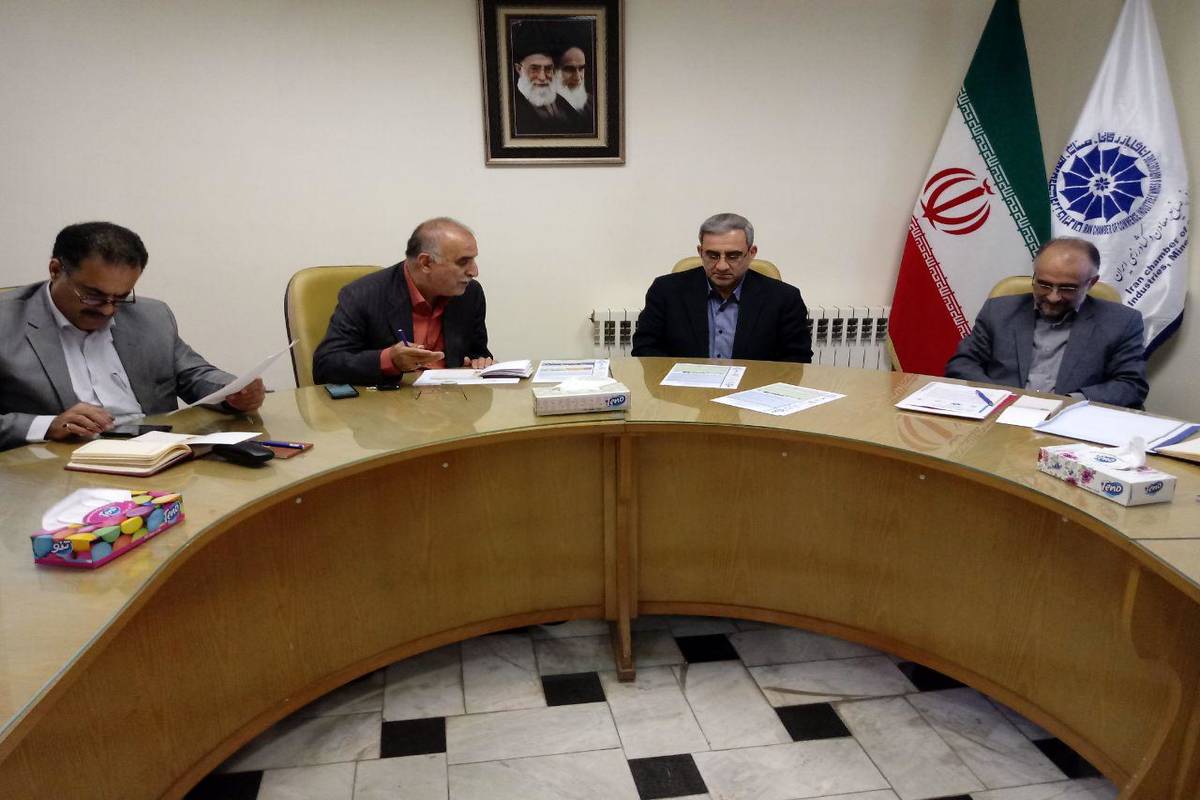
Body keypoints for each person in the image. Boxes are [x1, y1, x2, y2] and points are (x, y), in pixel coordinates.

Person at [0, 221, 264, 452]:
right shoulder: (7, 321)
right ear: (56, 270)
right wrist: (47, 425)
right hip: (59, 466)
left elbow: (195, 374)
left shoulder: (152, 316)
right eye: (93, 296)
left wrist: (234, 391)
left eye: (121, 297)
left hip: (157, 454)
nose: (107, 309)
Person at [945, 236, 1148, 408]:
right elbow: (962, 364)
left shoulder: (1122, 322)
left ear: (1091, 283)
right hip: (998, 413)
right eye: (1044, 285)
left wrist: (1070, 402)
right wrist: (999, 397)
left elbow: (1131, 385)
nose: (1053, 297)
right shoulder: (999, 310)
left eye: (1067, 288)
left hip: (1070, 421)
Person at [312, 217, 493, 386]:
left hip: (452, 402)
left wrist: (481, 362)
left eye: (473, 260)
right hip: (389, 405)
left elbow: (476, 352)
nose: (474, 272)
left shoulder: (470, 295)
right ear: (426, 263)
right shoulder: (363, 295)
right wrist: (390, 360)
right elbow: (326, 366)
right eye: (463, 262)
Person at [631, 213, 813, 363]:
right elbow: (645, 348)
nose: (722, 266)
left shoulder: (784, 298)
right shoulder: (666, 291)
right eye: (712, 255)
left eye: (733, 256)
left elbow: (797, 359)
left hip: (753, 392)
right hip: (684, 392)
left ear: (752, 253)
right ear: (700, 252)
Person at [512, 49, 586, 135]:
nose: (542, 77)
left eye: (548, 69)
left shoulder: (559, 101)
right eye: (534, 69)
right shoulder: (511, 106)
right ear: (519, 69)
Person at [555, 46, 594, 132]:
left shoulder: (592, 102)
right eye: (570, 69)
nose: (578, 77)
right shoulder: (547, 109)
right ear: (555, 71)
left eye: (581, 68)